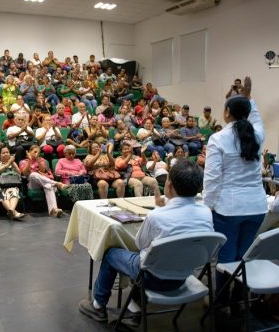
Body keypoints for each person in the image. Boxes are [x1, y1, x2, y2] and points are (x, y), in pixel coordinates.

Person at [79, 159, 213, 322]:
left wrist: (159, 210)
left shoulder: (157, 216)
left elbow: (139, 244)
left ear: (169, 185)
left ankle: (98, 306)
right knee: (152, 256)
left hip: (152, 279)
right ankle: (134, 306)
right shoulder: (206, 212)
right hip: (184, 276)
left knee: (111, 254)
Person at [203, 77, 267, 308]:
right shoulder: (258, 135)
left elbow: (212, 180)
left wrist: (207, 207)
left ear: (227, 112)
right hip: (257, 207)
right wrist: (249, 97)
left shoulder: (218, 138)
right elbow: (256, 118)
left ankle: (220, 301)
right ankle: (238, 299)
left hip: (228, 209)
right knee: (244, 257)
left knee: (227, 258)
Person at [19, 145, 67, 217]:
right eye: (35, 152)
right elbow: (24, 173)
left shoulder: (41, 160)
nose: (36, 153)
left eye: (38, 152)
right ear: (29, 152)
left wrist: (37, 159)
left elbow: (43, 170)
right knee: (33, 174)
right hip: (32, 184)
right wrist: (29, 160)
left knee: (48, 186)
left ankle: (54, 210)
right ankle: (56, 183)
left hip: (43, 181)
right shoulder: (23, 161)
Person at [0, 144, 25, 220]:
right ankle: (14, 212)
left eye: (7, 152)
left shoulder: (12, 162)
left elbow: (19, 174)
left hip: (11, 184)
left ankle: (11, 210)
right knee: (2, 193)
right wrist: (8, 163)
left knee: (15, 190)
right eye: (3, 153)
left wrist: (13, 164)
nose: (6, 154)